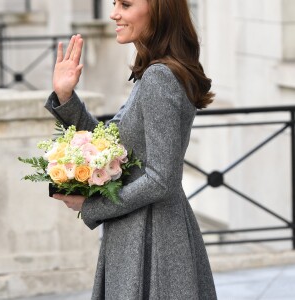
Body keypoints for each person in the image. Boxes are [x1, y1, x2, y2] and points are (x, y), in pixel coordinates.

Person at [45, 0, 218, 299]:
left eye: (125, 4)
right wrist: (65, 95)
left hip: (153, 238)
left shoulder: (159, 77)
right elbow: (114, 150)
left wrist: (91, 207)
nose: (114, 13)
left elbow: (162, 179)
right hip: (143, 230)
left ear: (160, 10)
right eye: (114, 3)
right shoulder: (151, 74)